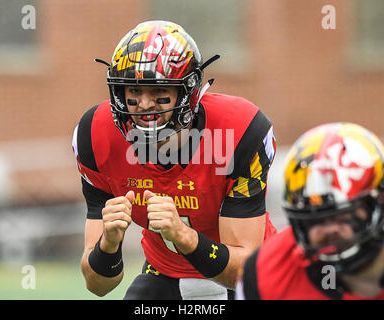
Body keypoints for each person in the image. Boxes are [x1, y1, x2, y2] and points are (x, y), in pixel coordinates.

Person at [71, 20, 277, 299]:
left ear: (187, 92)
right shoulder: (96, 136)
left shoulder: (238, 131)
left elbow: (243, 273)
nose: (144, 104)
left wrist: (183, 236)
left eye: (158, 92)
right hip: (165, 274)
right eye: (134, 91)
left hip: (246, 279)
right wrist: (108, 244)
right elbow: (97, 285)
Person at [237, 122, 384, 300]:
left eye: (342, 215)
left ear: (381, 203)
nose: (329, 230)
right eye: (314, 220)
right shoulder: (267, 276)